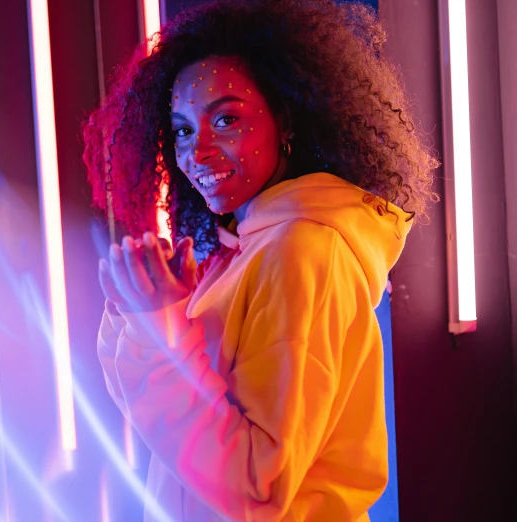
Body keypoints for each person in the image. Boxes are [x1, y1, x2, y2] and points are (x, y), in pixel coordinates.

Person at [82, 0, 438, 520]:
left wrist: (159, 331)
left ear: (285, 120)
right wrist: (151, 310)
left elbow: (254, 486)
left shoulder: (302, 251)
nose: (196, 152)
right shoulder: (246, 248)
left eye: (225, 119)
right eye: (181, 129)